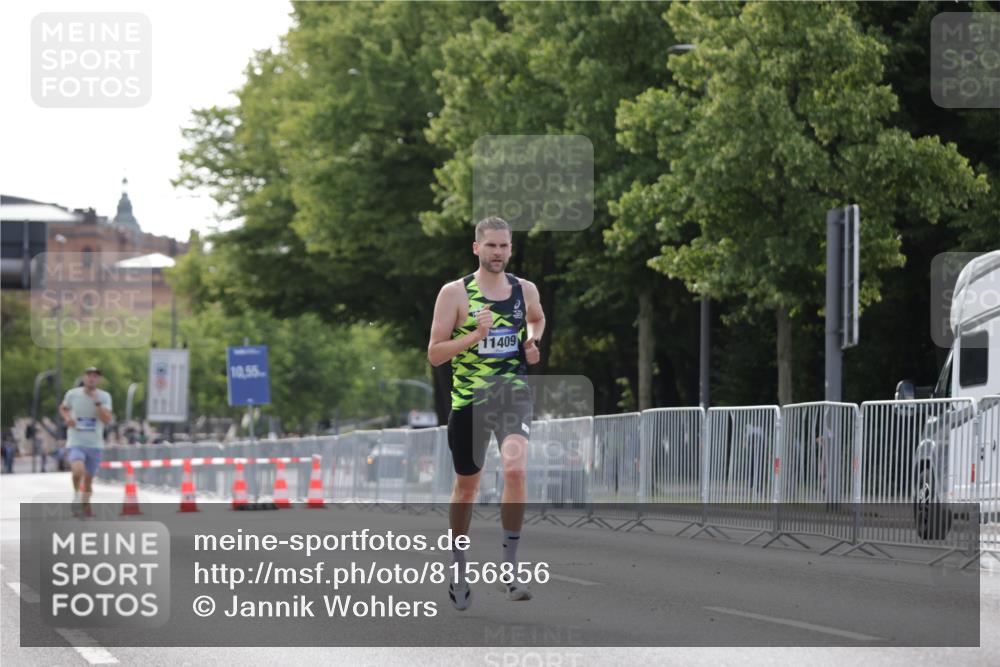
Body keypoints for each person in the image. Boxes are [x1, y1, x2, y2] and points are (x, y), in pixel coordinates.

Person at [427, 216, 545, 610]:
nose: (498, 253)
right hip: (469, 403)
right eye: (491, 246)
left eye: (504, 246)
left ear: (512, 249)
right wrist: (475, 336)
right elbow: (434, 352)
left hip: (512, 394)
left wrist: (531, 342)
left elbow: (537, 318)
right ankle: (459, 565)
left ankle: (509, 570)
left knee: (515, 469)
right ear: (476, 248)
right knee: (467, 488)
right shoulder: (454, 293)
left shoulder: (524, 289)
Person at [59, 367, 113, 516]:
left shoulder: (104, 397)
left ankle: (85, 504)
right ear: (84, 378)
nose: (91, 378)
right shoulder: (72, 394)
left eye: (95, 376)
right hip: (76, 441)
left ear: (99, 380)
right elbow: (63, 408)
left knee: (88, 481)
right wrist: (68, 418)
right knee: (78, 470)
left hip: (95, 444)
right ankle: (76, 495)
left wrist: (97, 402)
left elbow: (107, 419)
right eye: (89, 375)